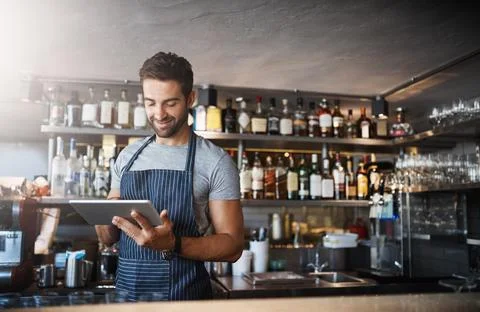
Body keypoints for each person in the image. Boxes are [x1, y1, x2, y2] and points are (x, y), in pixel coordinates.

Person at [95, 52, 244, 301]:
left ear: (190, 98)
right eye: (151, 103)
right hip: (127, 300)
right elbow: (108, 238)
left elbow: (233, 246)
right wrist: (101, 220)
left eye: (170, 103)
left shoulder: (215, 161)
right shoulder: (127, 156)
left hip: (186, 299)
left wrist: (173, 244)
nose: (159, 114)